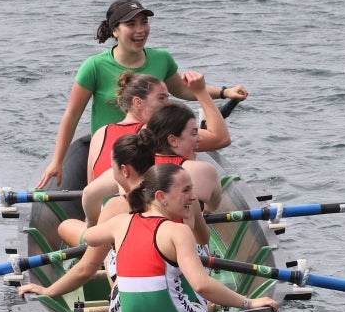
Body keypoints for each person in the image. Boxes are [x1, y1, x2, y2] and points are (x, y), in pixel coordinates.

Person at [36, 0, 249, 189]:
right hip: (111, 150)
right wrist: (57, 161)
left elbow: (183, 89)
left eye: (144, 22)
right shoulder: (93, 66)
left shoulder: (162, 58)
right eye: (131, 24)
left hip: (155, 143)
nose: (140, 30)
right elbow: (72, 115)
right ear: (115, 31)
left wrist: (224, 92)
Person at [84, 164, 277, 312]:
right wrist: (248, 303)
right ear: (161, 197)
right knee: (202, 302)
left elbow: (89, 237)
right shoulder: (179, 231)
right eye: (186, 190)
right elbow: (201, 285)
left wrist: (115, 242)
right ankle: (209, 309)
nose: (193, 197)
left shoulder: (120, 223)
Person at [19, 135, 159, 312]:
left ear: (124, 170)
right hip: (181, 294)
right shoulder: (172, 196)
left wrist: (47, 291)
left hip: (134, 302)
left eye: (113, 166)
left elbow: (87, 267)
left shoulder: (116, 207)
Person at [80, 70, 232, 223]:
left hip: (106, 216)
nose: (168, 105)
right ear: (138, 102)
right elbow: (221, 138)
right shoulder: (152, 133)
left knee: (67, 226)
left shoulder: (101, 133)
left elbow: (89, 188)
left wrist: (92, 225)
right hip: (134, 216)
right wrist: (200, 92)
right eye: (162, 99)